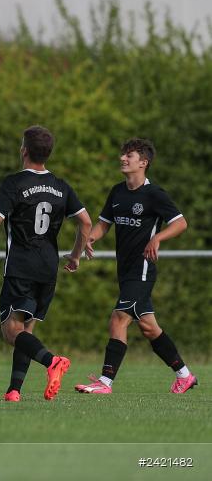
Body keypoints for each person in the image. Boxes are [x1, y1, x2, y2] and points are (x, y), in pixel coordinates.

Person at [74, 138, 196, 395]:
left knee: (118, 320)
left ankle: (105, 382)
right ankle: (184, 375)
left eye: (129, 155)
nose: (123, 159)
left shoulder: (154, 194)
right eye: (123, 154)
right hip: (125, 269)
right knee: (149, 327)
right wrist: (90, 238)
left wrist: (157, 237)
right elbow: (104, 223)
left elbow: (180, 222)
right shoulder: (117, 192)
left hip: (142, 269)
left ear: (143, 162)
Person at [0, 125, 91, 402]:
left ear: (24, 150)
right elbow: (85, 222)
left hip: (20, 266)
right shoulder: (60, 186)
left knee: (11, 332)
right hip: (48, 267)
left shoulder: (14, 183)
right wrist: (76, 255)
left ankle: (52, 361)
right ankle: (14, 390)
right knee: (26, 330)